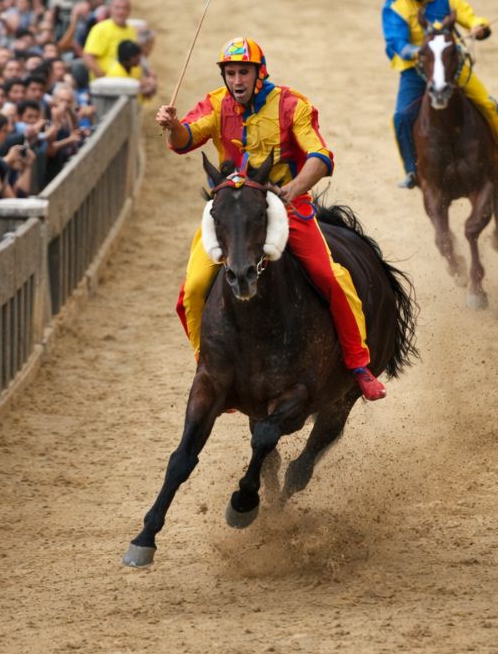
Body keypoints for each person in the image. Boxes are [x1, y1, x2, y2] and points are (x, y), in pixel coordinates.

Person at [154, 37, 386, 401]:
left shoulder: (292, 105)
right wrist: (172, 126)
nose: (236, 80)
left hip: (284, 204)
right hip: (233, 210)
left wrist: (294, 188)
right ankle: (207, 366)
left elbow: (321, 155)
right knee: (192, 291)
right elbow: (185, 139)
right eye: (231, 73)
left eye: (243, 72)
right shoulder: (215, 104)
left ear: (259, 73)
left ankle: (358, 364)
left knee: (330, 277)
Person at [382, 0, 498, 192]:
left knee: (491, 106)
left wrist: (478, 26)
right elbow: (396, 42)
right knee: (401, 117)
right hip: (415, 70)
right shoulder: (394, 6)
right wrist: (422, 51)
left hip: (451, 66)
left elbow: (470, 17)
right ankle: (411, 170)